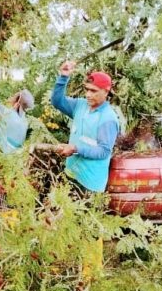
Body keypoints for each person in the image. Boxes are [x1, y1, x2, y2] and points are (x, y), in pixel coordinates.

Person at [49, 60, 120, 193]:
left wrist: (76, 149)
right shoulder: (80, 105)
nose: (88, 94)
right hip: (71, 174)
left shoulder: (108, 118)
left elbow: (104, 151)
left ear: (106, 92)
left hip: (89, 184)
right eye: (87, 89)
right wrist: (63, 76)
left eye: (93, 91)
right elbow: (57, 101)